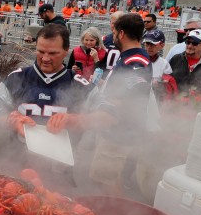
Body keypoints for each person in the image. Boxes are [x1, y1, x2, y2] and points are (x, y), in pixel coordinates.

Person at [47, 13, 153, 196]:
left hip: (120, 134)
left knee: (107, 182)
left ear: (120, 33)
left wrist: (80, 119)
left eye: (113, 29)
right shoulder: (129, 57)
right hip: (114, 131)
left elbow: (127, 103)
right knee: (103, 177)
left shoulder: (135, 62)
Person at [0, 24, 91, 135]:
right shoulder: (16, 77)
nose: (45, 58)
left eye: (52, 53)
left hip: (63, 150)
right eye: (40, 51)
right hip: (19, 149)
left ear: (66, 51)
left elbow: (109, 114)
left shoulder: (78, 83)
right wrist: (10, 119)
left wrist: (76, 119)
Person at [168, 29, 201, 94]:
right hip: (174, 102)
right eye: (188, 42)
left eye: (194, 43)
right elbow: (167, 81)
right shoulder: (176, 59)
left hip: (199, 103)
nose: (189, 46)